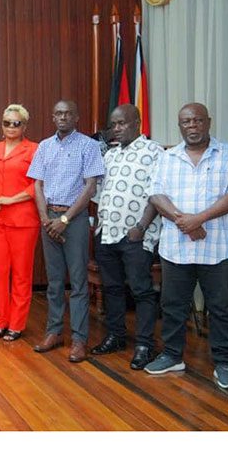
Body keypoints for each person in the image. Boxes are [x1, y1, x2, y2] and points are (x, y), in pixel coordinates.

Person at [145, 102, 228, 390]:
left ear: (208, 122)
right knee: (173, 305)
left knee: (219, 307)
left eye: (197, 120)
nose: (192, 126)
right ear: (179, 126)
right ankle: (172, 355)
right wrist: (184, 222)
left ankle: (223, 363)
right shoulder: (167, 158)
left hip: (216, 246)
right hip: (177, 247)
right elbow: (156, 195)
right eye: (185, 122)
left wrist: (199, 219)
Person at [27, 100, 104, 362]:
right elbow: (37, 185)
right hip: (48, 218)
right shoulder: (44, 147)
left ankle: (79, 339)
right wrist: (45, 219)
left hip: (75, 220)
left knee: (79, 282)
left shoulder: (89, 146)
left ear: (77, 117)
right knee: (55, 281)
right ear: (52, 117)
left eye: (68, 113)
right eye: (58, 113)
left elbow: (90, 187)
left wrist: (66, 220)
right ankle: (54, 332)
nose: (63, 117)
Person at [91, 104, 163, 370]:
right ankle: (116, 336)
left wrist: (142, 227)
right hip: (107, 233)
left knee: (141, 290)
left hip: (136, 235)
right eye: (114, 124)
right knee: (111, 288)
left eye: (122, 123)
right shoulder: (110, 155)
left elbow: (159, 193)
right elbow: (100, 194)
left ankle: (145, 344)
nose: (117, 128)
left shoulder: (153, 152)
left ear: (138, 122)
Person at [0, 104, 39, 342]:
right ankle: (0, 321)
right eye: (7, 123)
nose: (11, 127)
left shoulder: (33, 150)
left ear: (24, 126)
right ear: (1, 125)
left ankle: (16, 324)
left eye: (17, 123)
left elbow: (38, 185)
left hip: (23, 220)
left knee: (22, 274)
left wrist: (12, 199)